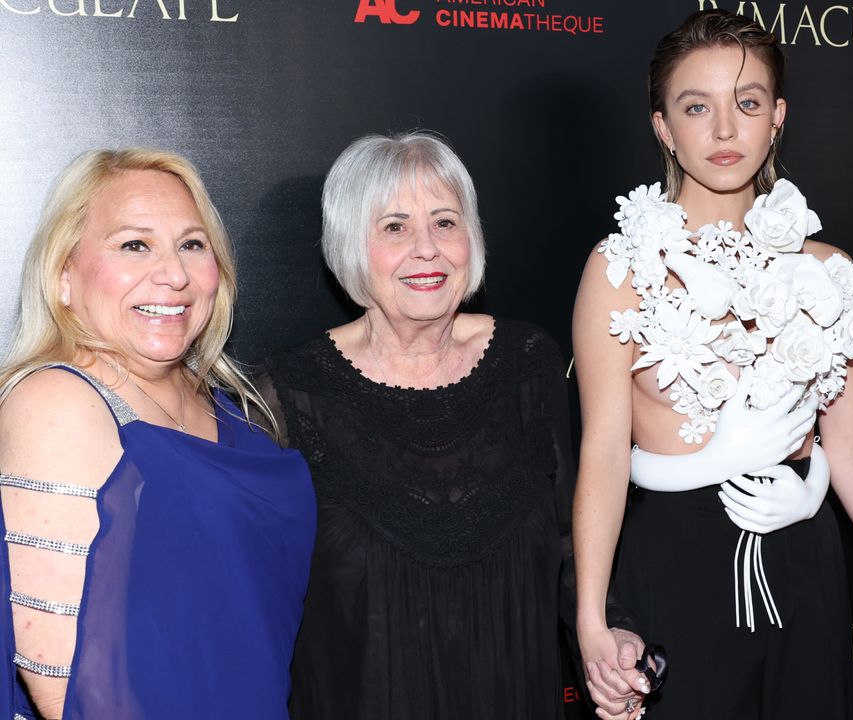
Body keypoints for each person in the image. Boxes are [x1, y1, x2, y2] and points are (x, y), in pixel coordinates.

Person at [572, 10, 853, 719]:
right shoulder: (619, 271)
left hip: (805, 561)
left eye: (748, 102)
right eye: (696, 107)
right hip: (674, 567)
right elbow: (605, 452)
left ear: (778, 118)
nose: (725, 130)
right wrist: (590, 622)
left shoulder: (826, 268)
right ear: (662, 127)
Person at [257, 131, 576, 719]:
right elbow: (251, 602)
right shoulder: (287, 395)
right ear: (351, 246)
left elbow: (572, 542)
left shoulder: (528, 362)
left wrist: (615, 637)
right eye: (395, 227)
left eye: (445, 222)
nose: (427, 249)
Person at [0, 149, 316, 720]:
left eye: (192, 244)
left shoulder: (230, 410)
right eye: (134, 244)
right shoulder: (57, 401)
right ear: (64, 275)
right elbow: (64, 690)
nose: (173, 274)